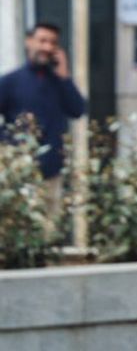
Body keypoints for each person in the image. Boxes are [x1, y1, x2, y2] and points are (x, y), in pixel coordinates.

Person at [0, 21, 87, 213]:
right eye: (42, 41)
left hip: (52, 173)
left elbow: (78, 110)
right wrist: (9, 145)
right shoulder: (10, 82)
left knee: (50, 231)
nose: (47, 47)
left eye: (53, 42)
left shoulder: (59, 82)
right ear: (29, 41)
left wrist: (65, 77)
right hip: (19, 173)